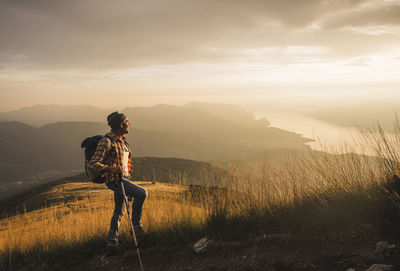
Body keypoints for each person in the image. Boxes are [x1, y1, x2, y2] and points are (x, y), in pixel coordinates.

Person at [88, 111, 147, 253]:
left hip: (123, 180)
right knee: (142, 193)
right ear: (121, 125)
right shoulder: (107, 141)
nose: (129, 124)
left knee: (119, 212)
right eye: (127, 121)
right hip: (115, 181)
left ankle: (112, 244)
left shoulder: (122, 141)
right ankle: (136, 227)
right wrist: (111, 169)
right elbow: (92, 164)